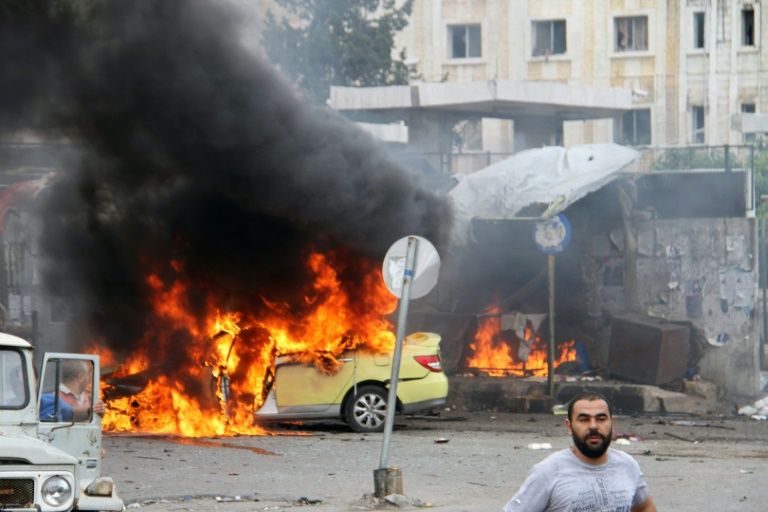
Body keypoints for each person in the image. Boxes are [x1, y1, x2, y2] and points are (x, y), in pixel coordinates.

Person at [502, 392, 656, 512]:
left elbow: (644, 507)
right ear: (569, 426)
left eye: (601, 419)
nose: (594, 426)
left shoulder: (627, 465)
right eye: (584, 419)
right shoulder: (547, 471)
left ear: (612, 423)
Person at [40, 360, 104, 422]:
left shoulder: (90, 397)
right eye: (87, 375)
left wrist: (100, 412)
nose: (89, 380)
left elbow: (97, 420)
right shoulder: (54, 399)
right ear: (80, 377)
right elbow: (66, 413)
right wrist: (90, 410)